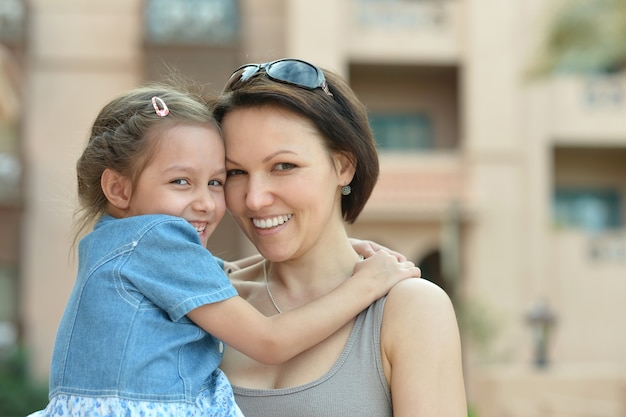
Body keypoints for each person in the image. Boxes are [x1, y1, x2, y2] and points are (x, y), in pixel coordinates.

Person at [29, 83, 421, 417]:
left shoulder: (115, 240)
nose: (206, 203)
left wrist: (334, 250)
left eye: (217, 181)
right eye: (181, 181)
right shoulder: (158, 236)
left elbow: (215, 275)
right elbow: (269, 342)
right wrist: (366, 283)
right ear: (118, 188)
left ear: (343, 167)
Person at [212, 58, 467, 417]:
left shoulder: (408, 309)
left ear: (343, 166)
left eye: (283, 166)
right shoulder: (208, 298)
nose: (254, 198)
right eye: (235, 172)